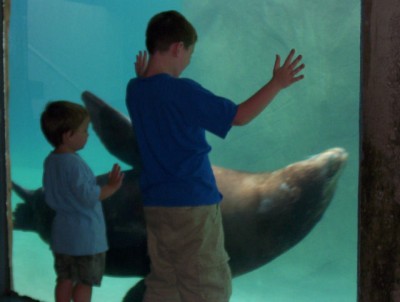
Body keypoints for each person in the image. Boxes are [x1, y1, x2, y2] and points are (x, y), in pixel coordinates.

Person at [126, 10, 305, 302]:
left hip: (157, 207)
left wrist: (145, 74)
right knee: (207, 287)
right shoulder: (183, 91)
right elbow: (240, 116)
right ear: (177, 48)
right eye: (189, 54)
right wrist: (277, 83)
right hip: (193, 207)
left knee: (164, 284)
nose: (188, 61)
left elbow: (148, 87)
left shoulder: (135, 90)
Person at [40, 101, 124, 302]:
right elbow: (88, 197)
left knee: (64, 279)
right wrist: (111, 187)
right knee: (84, 282)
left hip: (62, 235)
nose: (88, 135)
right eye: (84, 130)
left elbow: (50, 195)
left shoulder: (50, 161)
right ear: (68, 135)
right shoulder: (75, 164)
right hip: (85, 238)